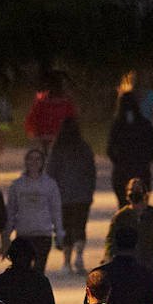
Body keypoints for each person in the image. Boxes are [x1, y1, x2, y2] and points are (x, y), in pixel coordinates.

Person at [46, 116, 97, 274]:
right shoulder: (84, 148)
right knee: (80, 226)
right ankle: (79, 257)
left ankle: (67, 262)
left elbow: (51, 172)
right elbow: (91, 171)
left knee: (66, 228)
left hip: (63, 196)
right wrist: (89, 190)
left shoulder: (58, 149)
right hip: (82, 195)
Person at [5, 148, 64, 274]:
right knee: (22, 270)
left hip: (43, 235)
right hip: (23, 234)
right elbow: (11, 211)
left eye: (38, 159)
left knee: (38, 271)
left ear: (43, 162)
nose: (34, 162)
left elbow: (56, 210)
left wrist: (59, 232)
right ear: (26, 162)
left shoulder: (50, 184)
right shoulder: (17, 185)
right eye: (30, 159)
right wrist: (7, 235)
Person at [103, 178, 153, 279]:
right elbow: (111, 240)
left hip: (150, 264)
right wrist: (109, 261)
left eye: (137, 190)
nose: (134, 193)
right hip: (128, 266)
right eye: (131, 190)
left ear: (145, 194)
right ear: (127, 195)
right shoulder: (121, 216)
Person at [106, 91, 153, 209]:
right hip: (142, 172)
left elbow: (110, 149)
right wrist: (145, 160)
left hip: (121, 174)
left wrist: (119, 161)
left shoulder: (117, 125)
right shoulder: (145, 124)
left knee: (124, 208)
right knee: (142, 207)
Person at [24, 74, 78, 155]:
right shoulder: (65, 103)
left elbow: (31, 119)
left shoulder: (42, 102)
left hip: (48, 137)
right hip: (51, 138)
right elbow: (73, 120)